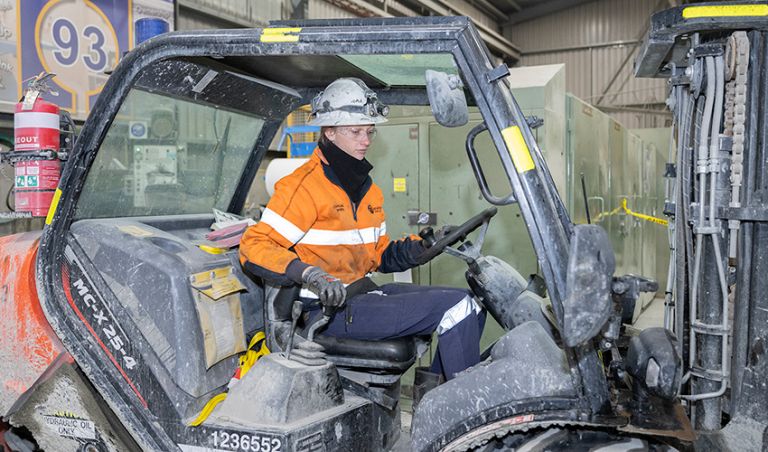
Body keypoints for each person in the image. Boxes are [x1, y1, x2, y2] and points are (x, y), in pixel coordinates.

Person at [240, 78, 485, 380]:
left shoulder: (368, 191)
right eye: (355, 132)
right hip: (326, 309)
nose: (366, 140)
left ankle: (436, 402)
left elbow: (378, 255)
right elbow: (254, 246)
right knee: (457, 308)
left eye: (369, 131)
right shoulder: (303, 188)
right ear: (329, 132)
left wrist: (423, 248)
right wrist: (310, 274)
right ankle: (462, 411)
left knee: (473, 303)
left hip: (362, 293)